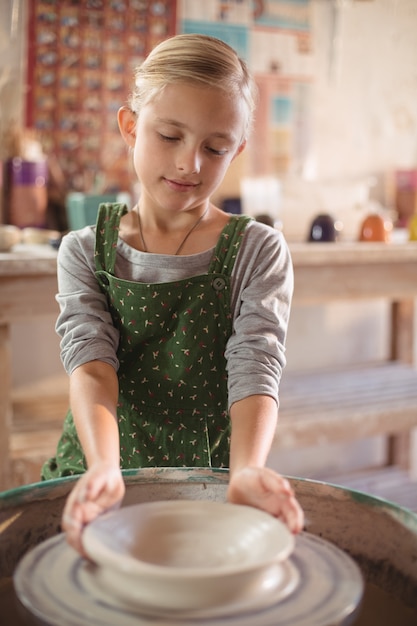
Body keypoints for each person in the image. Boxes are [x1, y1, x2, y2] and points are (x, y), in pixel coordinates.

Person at [42, 33, 304, 554]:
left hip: (208, 474)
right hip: (100, 465)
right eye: (169, 136)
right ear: (131, 127)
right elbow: (93, 365)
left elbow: (255, 365)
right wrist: (104, 469)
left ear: (238, 151)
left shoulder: (257, 250)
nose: (191, 164)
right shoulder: (84, 250)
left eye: (215, 147)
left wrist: (247, 470)